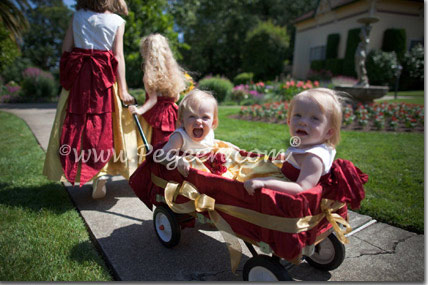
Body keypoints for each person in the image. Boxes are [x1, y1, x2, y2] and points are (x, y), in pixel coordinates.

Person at [43, 0, 145, 199]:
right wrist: (123, 90)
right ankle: (101, 174)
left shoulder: (77, 17)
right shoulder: (117, 21)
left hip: (79, 78)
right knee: (105, 125)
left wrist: (66, 77)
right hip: (104, 79)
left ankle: (83, 170)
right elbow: (118, 57)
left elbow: (66, 50)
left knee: (77, 124)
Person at [244, 88, 342, 196]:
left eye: (314, 118)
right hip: (286, 178)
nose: (303, 122)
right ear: (289, 121)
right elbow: (298, 158)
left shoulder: (313, 159)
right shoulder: (306, 144)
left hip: (292, 195)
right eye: (298, 115)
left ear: (329, 132)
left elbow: (301, 188)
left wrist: (265, 183)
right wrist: (286, 157)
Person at [128, 33, 187, 148]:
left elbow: (152, 100)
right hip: (172, 113)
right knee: (175, 142)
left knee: (157, 144)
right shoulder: (172, 73)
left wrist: (140, 110)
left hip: (158, 116)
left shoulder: (150, 75)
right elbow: (176, 97)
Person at [156, 89, 220, 177]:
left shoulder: (209, 133)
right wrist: (177, 160)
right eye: (192, 116)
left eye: (205, 117)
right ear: (182, 121)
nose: (198, 121)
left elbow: (208, 144)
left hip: (207, 172)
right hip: (186, 176)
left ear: (213, 123)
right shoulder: (180, 137)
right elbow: (161, 156)